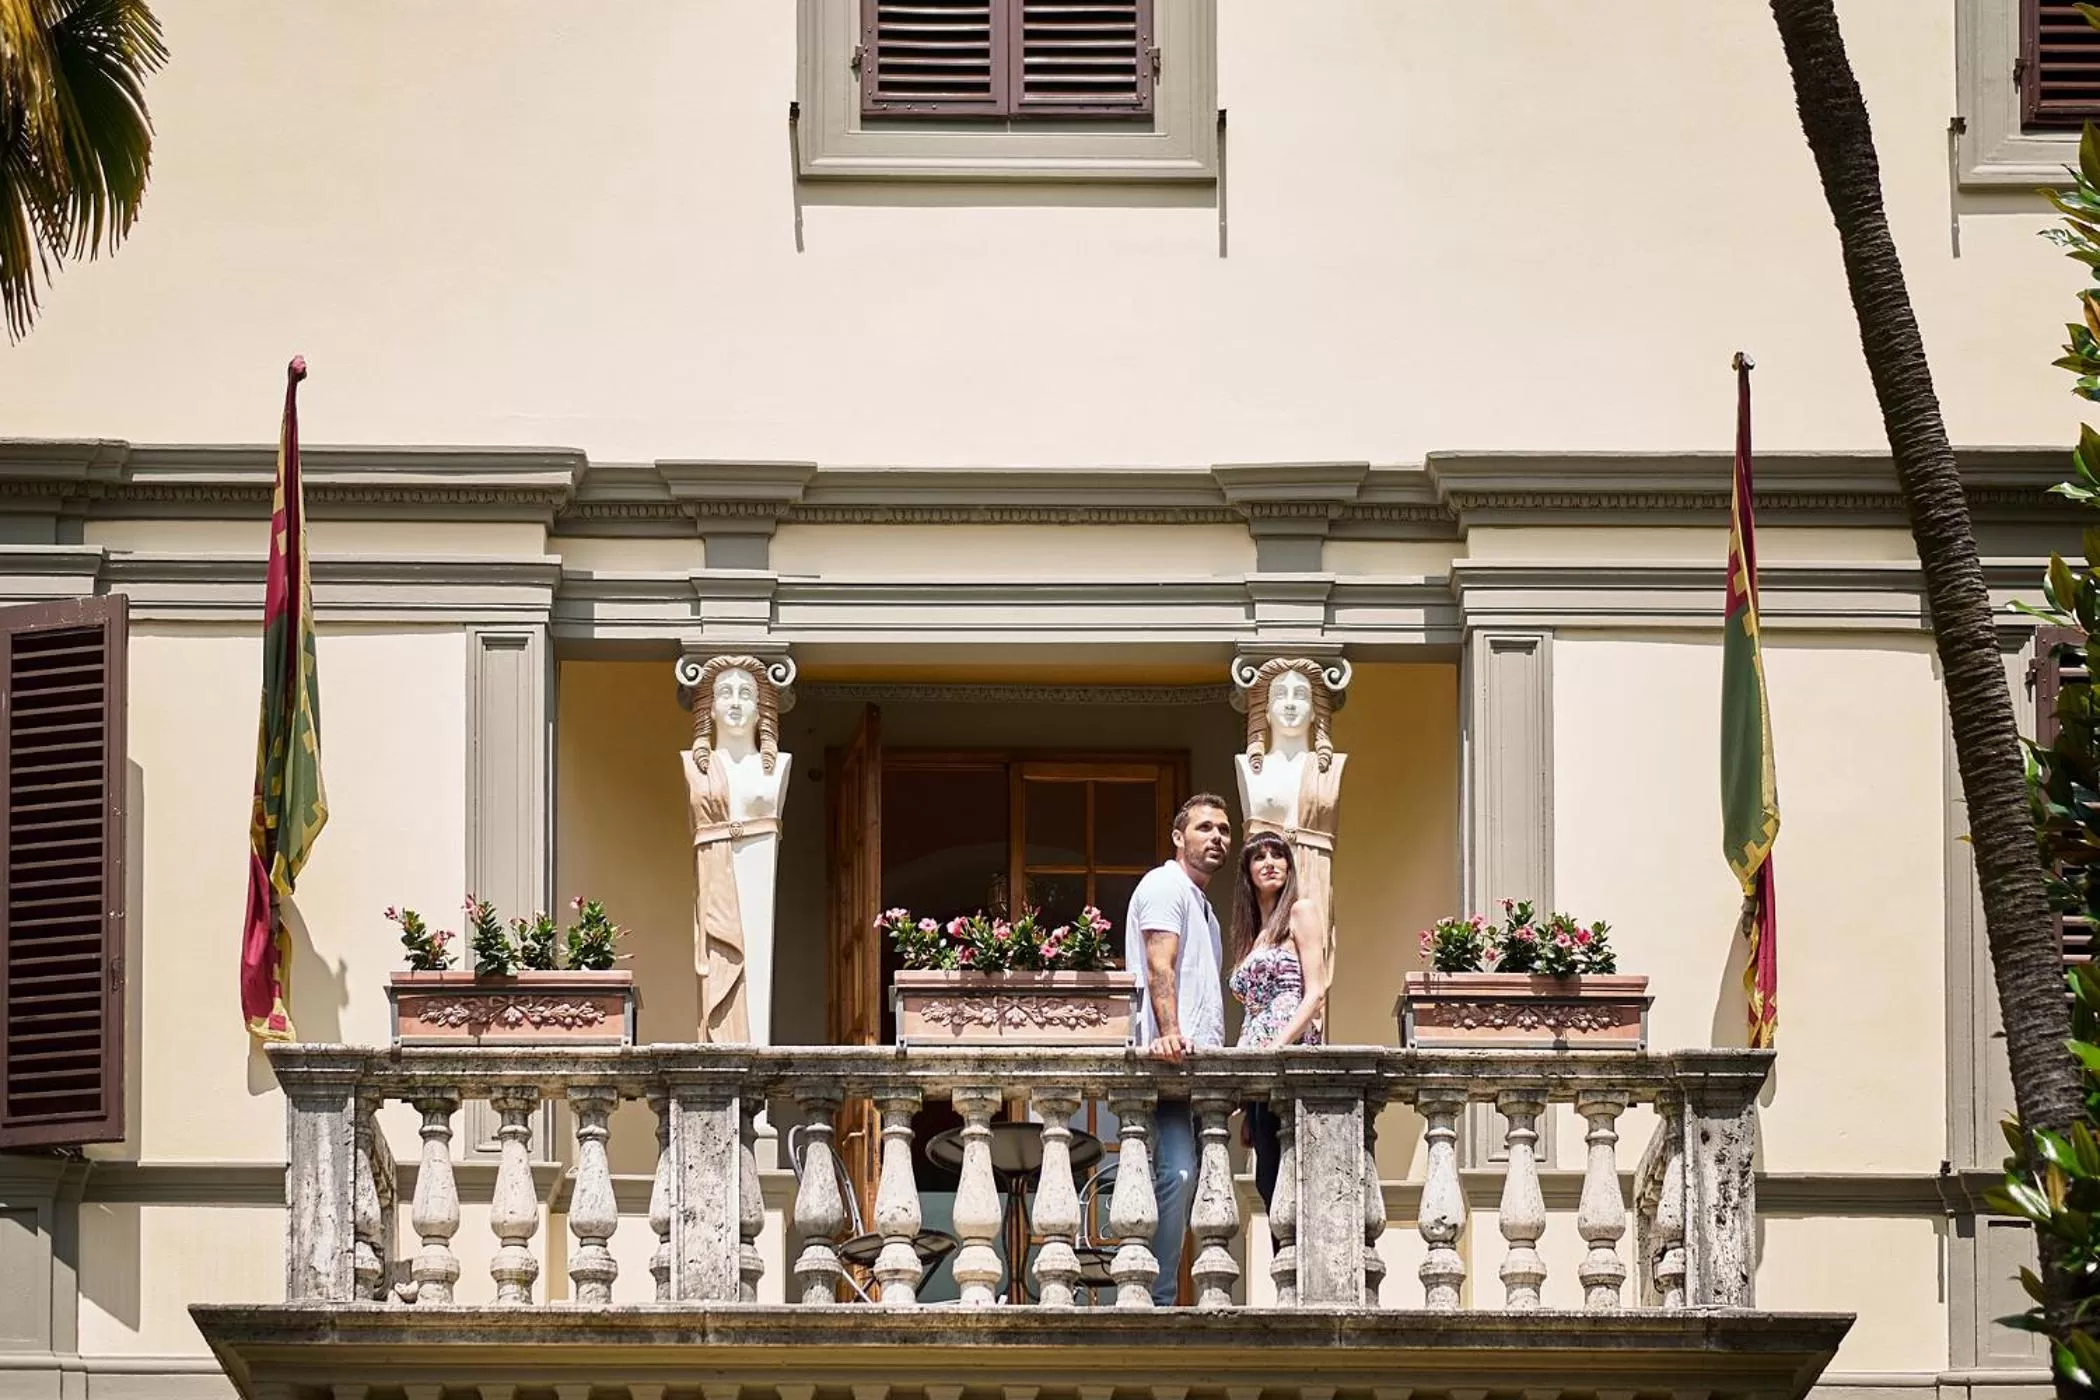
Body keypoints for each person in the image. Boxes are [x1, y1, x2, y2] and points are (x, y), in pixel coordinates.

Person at [1124, 792, 1232, 1307]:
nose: (1216, 838)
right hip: (1169, 1065)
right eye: (1205, 827)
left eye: (1224, 830)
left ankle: (1168, 1290)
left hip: (1199, 1070)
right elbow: (1158, 963)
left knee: (1199, 1181)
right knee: (1178, 1172)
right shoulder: (1166, 885)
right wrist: (1168, 1031)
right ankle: (1158, 1296)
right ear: (1178, 837)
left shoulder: (1203, 907)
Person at [1228, 832, 1329, 1210]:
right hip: (1256, 1063)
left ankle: (1293, 1266)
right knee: (1267, 1172)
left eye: (1277, 855)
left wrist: (1278, 1047)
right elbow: (1251, 1012)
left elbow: (1316, 992)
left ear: (1289, 866)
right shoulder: (1254, 935)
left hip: (1286, 1054)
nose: (1269, 862)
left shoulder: (1300, 912)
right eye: (1259, 857)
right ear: (1248, 871)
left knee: (1285, 1169)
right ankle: (1282, 1265)